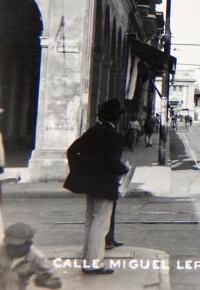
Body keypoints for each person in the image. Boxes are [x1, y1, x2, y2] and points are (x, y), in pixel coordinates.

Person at [62, 98, 129, 275]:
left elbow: (71, 151)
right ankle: (94, 263)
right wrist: (124, 168)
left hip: (90, 184)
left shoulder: (93, 132)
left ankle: (87, 257)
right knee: (100, 224)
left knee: (90, 221)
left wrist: (81, 171)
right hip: (105, 185)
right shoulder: (113, 136)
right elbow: (111, 162)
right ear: (116, 119)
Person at [0, 222, 62, 290]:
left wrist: (45, 282)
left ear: (28, 244)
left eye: (16, 246)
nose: (12, 249)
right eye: (9, 245)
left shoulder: (37, 258)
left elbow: (57, 282)